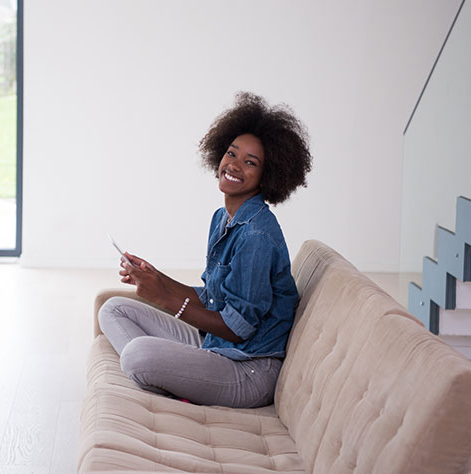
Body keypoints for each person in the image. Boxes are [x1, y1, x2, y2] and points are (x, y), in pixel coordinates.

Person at [98, 92, 312, 408]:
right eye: (232, 153)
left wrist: (163, 297)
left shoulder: (256, 236)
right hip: (215, 345)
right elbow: (214, 298)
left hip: (247, 368)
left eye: (250, 162)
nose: (235, 165)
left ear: (268, 175)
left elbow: (238, 330)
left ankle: (171, 381)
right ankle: (176, 379)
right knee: (113, 309)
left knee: (136, 356)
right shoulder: (223, 218)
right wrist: (156, 278)